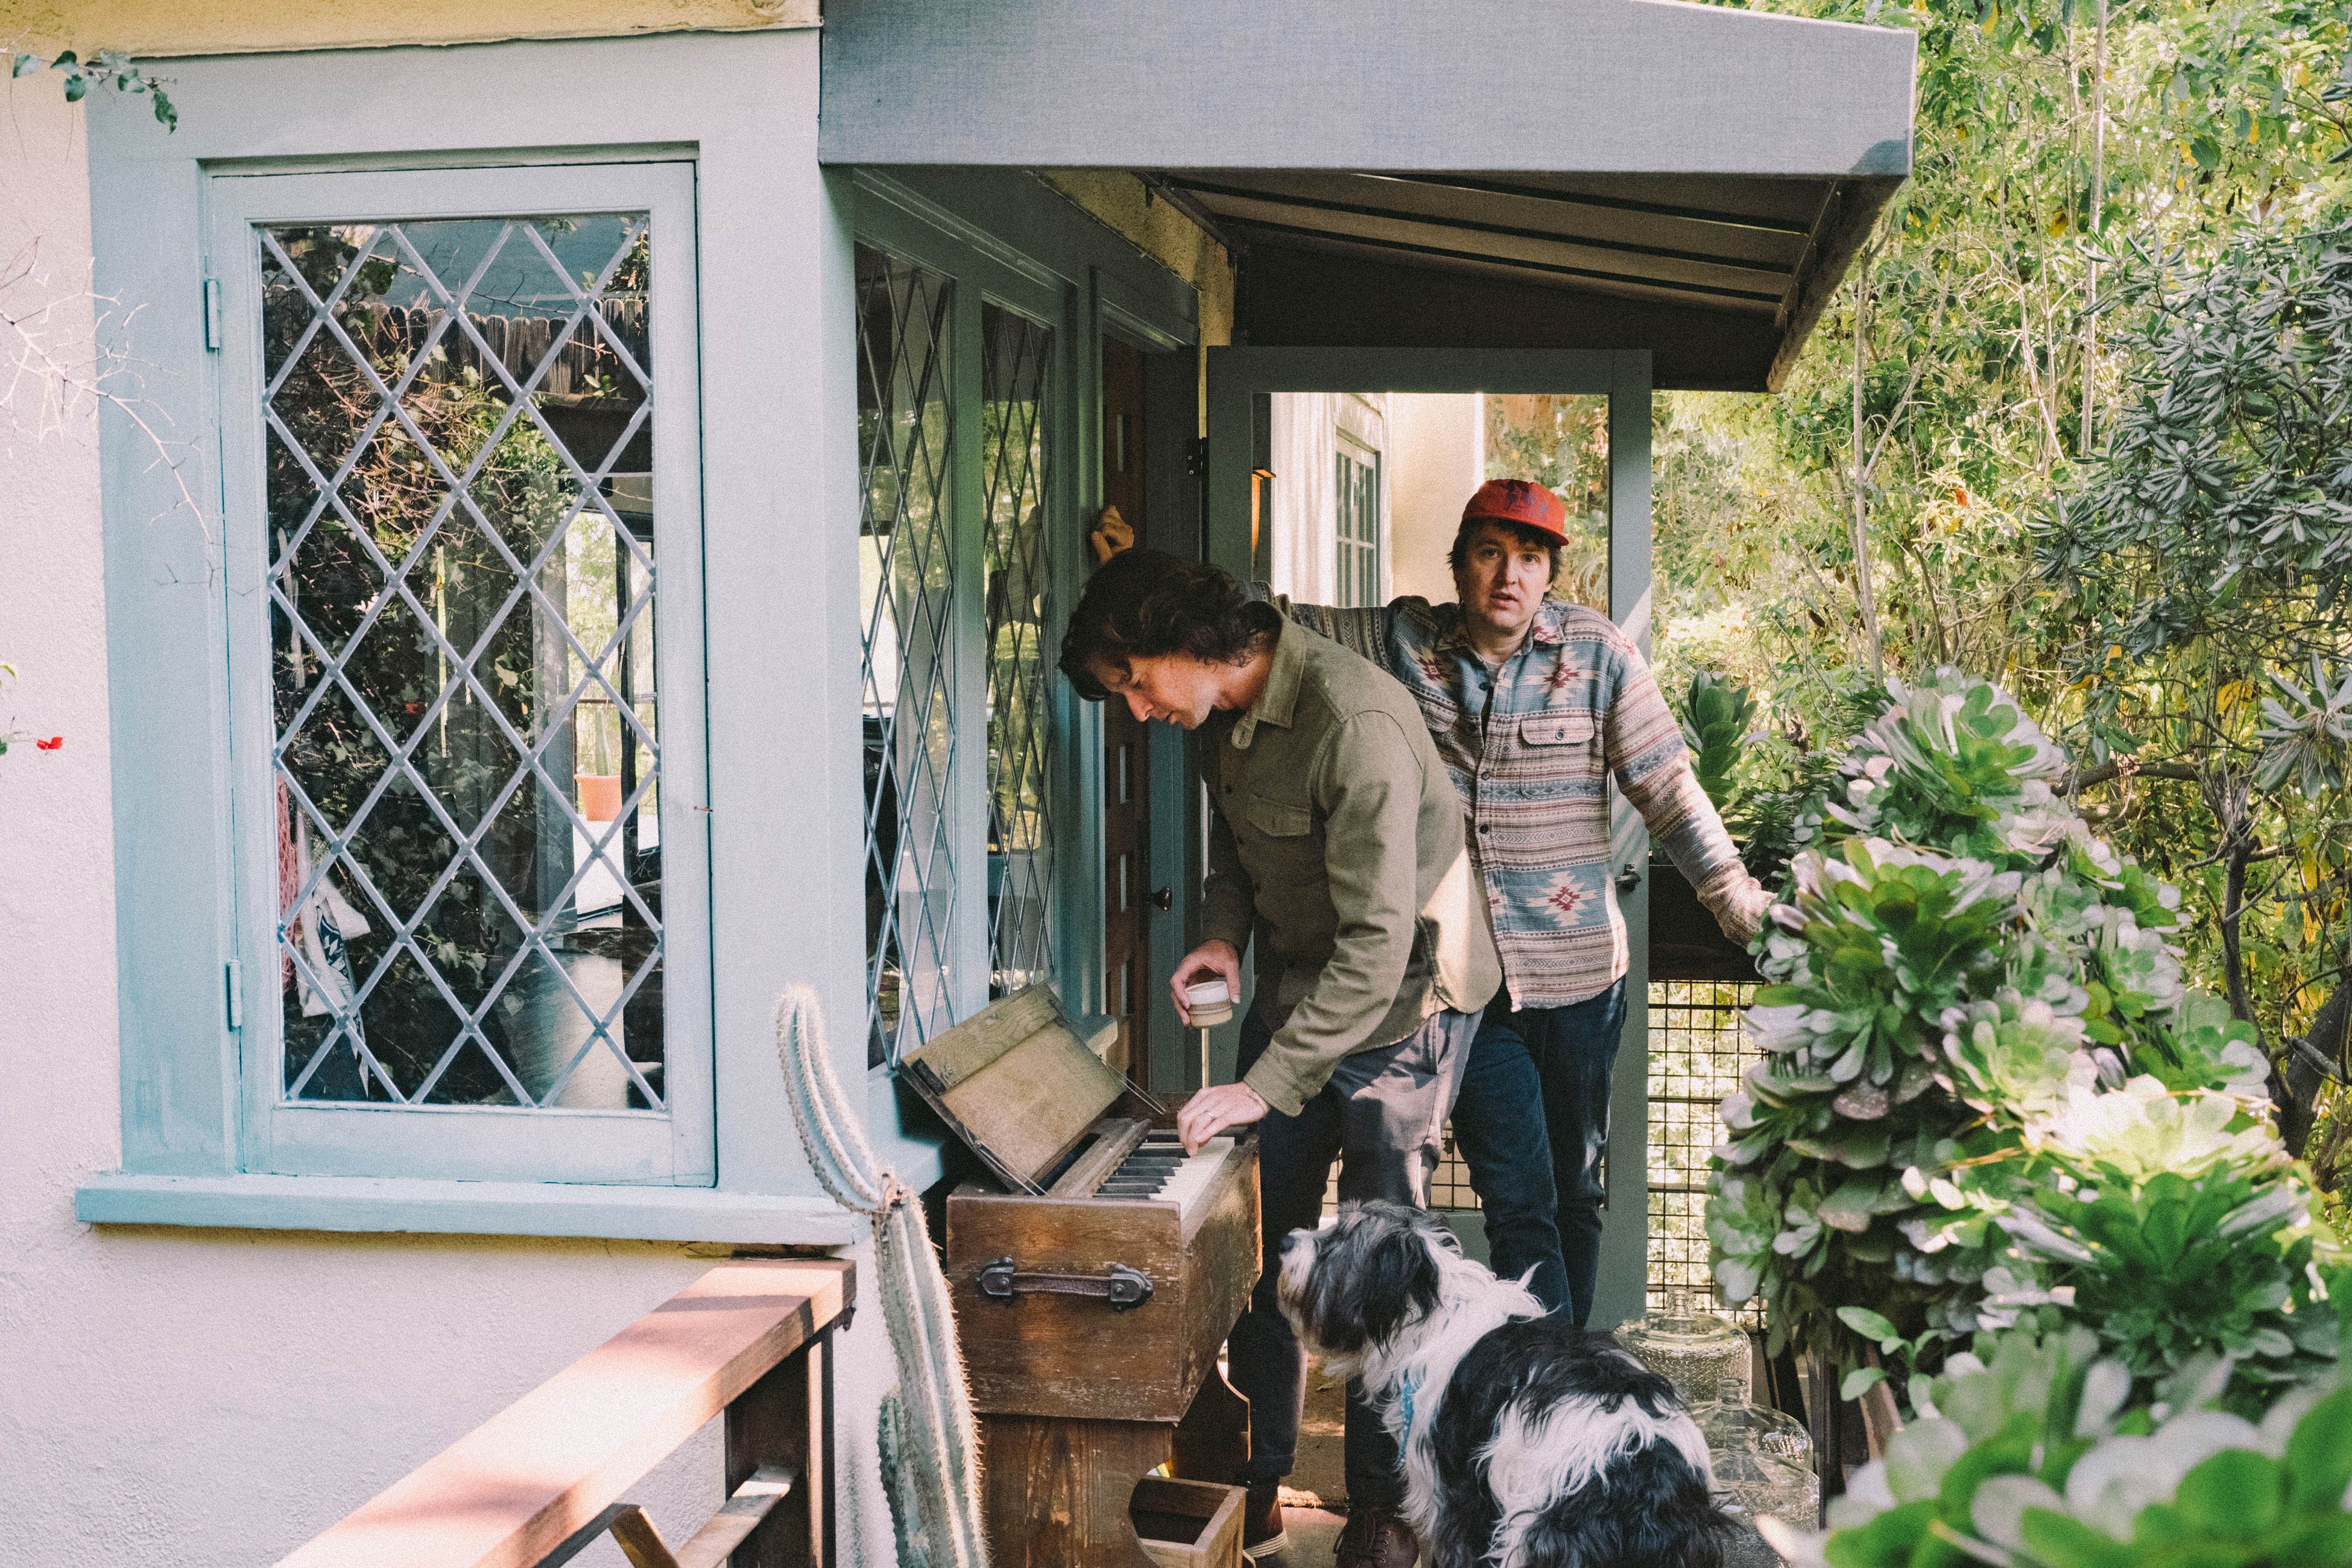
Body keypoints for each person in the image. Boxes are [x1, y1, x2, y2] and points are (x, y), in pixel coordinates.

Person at [1060, 549, 1499, 1568]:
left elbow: (1379, 947)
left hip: (1401, 1013)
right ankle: (1256, 1493)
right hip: (1304, 993)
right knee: (1273, 1261)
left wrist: (1261, 1084)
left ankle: (1383, 1518)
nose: (1137, 711)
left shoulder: (1358, 724)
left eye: (1135, 682)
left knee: (1385, 1283)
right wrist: (1221, 934)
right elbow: (1237, 857)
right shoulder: (1221, 718)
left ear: (1190, 641)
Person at [1280, 478, 1771, 1327]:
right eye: (1489, 553)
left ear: (1550, 575)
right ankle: (1518, 1379)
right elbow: (1274, 623)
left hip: (1577, 975)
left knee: (1573, 1187)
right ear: (1460, 564)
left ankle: (1561, 1358)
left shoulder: (1601, 654)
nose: (1509, 574)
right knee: (1515, 1194)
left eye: (1531, 557)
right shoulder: (1403, 639)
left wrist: (1732, 897)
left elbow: (1669, 790)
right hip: (1464, 985)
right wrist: (1150, 579)